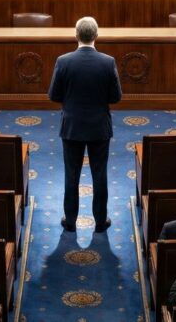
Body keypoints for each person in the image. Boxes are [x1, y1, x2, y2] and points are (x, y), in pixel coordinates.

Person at [48, 16, 122, 233]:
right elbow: (116, 97)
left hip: (71, 128)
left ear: (76, 35)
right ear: (96, 36)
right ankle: (100, 221)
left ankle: (70, 221)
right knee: (100, 175)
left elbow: (54, 95)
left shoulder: (63, 61)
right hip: (99, 128)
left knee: (71, 175)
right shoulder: (108, 62)